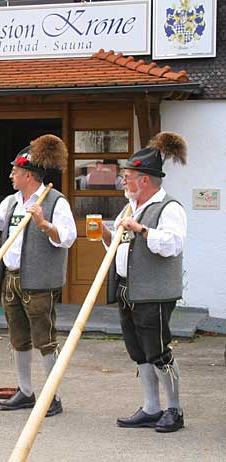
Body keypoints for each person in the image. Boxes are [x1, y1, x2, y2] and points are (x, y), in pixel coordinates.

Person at [0, 134, 75, 417]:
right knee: (18, 338)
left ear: (29, 175)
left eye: (15, 172)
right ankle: (26, 391)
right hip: (11, 278)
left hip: (40, 281)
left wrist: (44, 223)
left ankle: (52, 396)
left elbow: (67, 238)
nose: (10, 175)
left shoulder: (56, 201)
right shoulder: (11, 202)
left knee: (45, 339)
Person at [101, 132, 187, 433]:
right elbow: (125, 248)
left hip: (154, 292)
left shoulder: (169, 207)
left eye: (129, 176)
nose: (124, 181)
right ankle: (151, 407)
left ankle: (174, 410)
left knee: (159, 352)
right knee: (138, 352)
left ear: (146, 180)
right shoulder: (131, 207)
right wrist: (106, 235)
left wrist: (141, 229)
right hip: (129, 289)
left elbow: (171, 244)